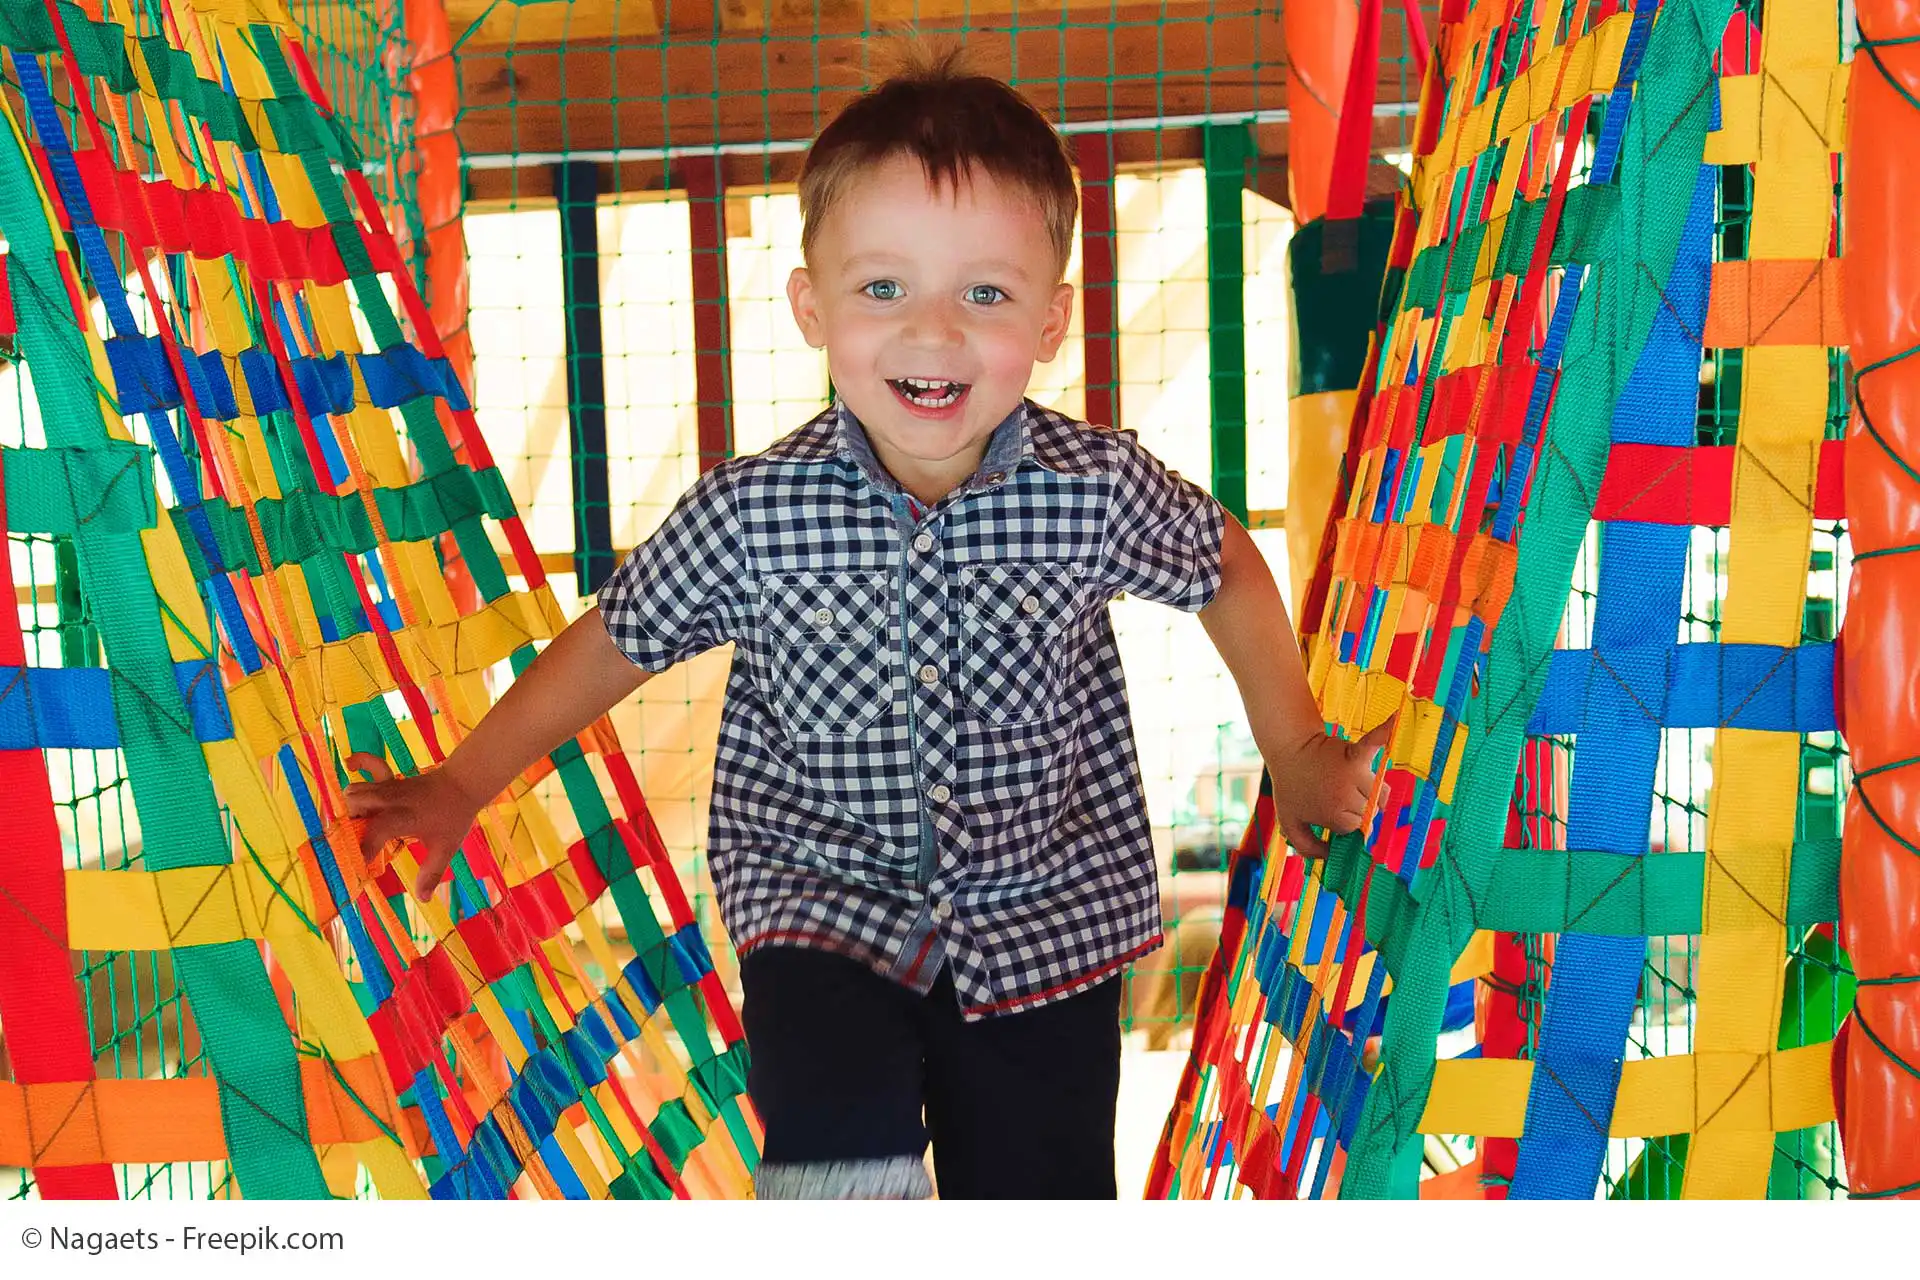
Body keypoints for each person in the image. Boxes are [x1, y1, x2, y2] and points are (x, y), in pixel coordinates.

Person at [346, 46, 1389, 1201]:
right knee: (837, 1166)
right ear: (812, 306)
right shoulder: (754, 511)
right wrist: (459, 785)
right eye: (883, 288)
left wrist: (1294, 752)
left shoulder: (1092, 488)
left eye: (984, 293)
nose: (932, 334)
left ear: (1053, 319)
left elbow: (1224, 569)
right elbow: (615, 639)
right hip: (820, 902)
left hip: (1044, 918)